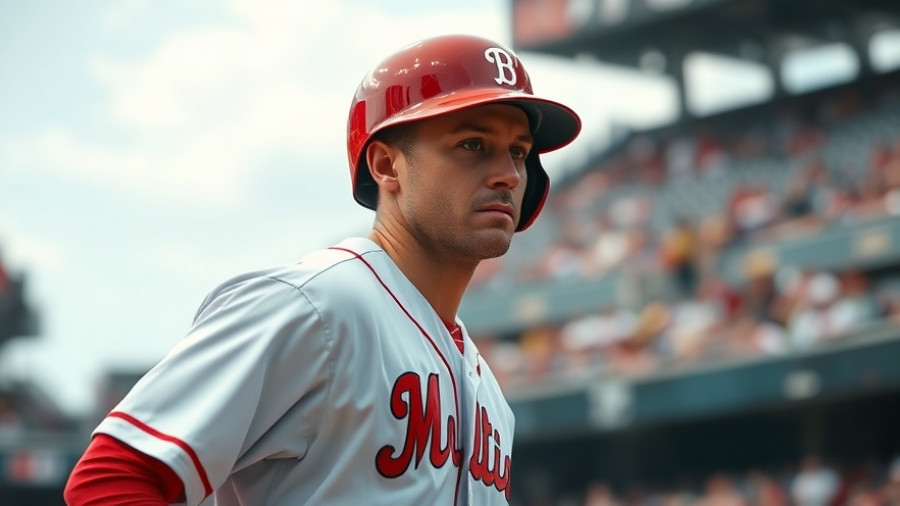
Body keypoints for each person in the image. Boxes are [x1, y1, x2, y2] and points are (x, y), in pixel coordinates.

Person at [64, 34, 580, 505]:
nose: (509, 175)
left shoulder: (487, 387)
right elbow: (111, 477)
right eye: (473, 144)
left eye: (518, 151)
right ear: (385, 166)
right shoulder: (316, 305)